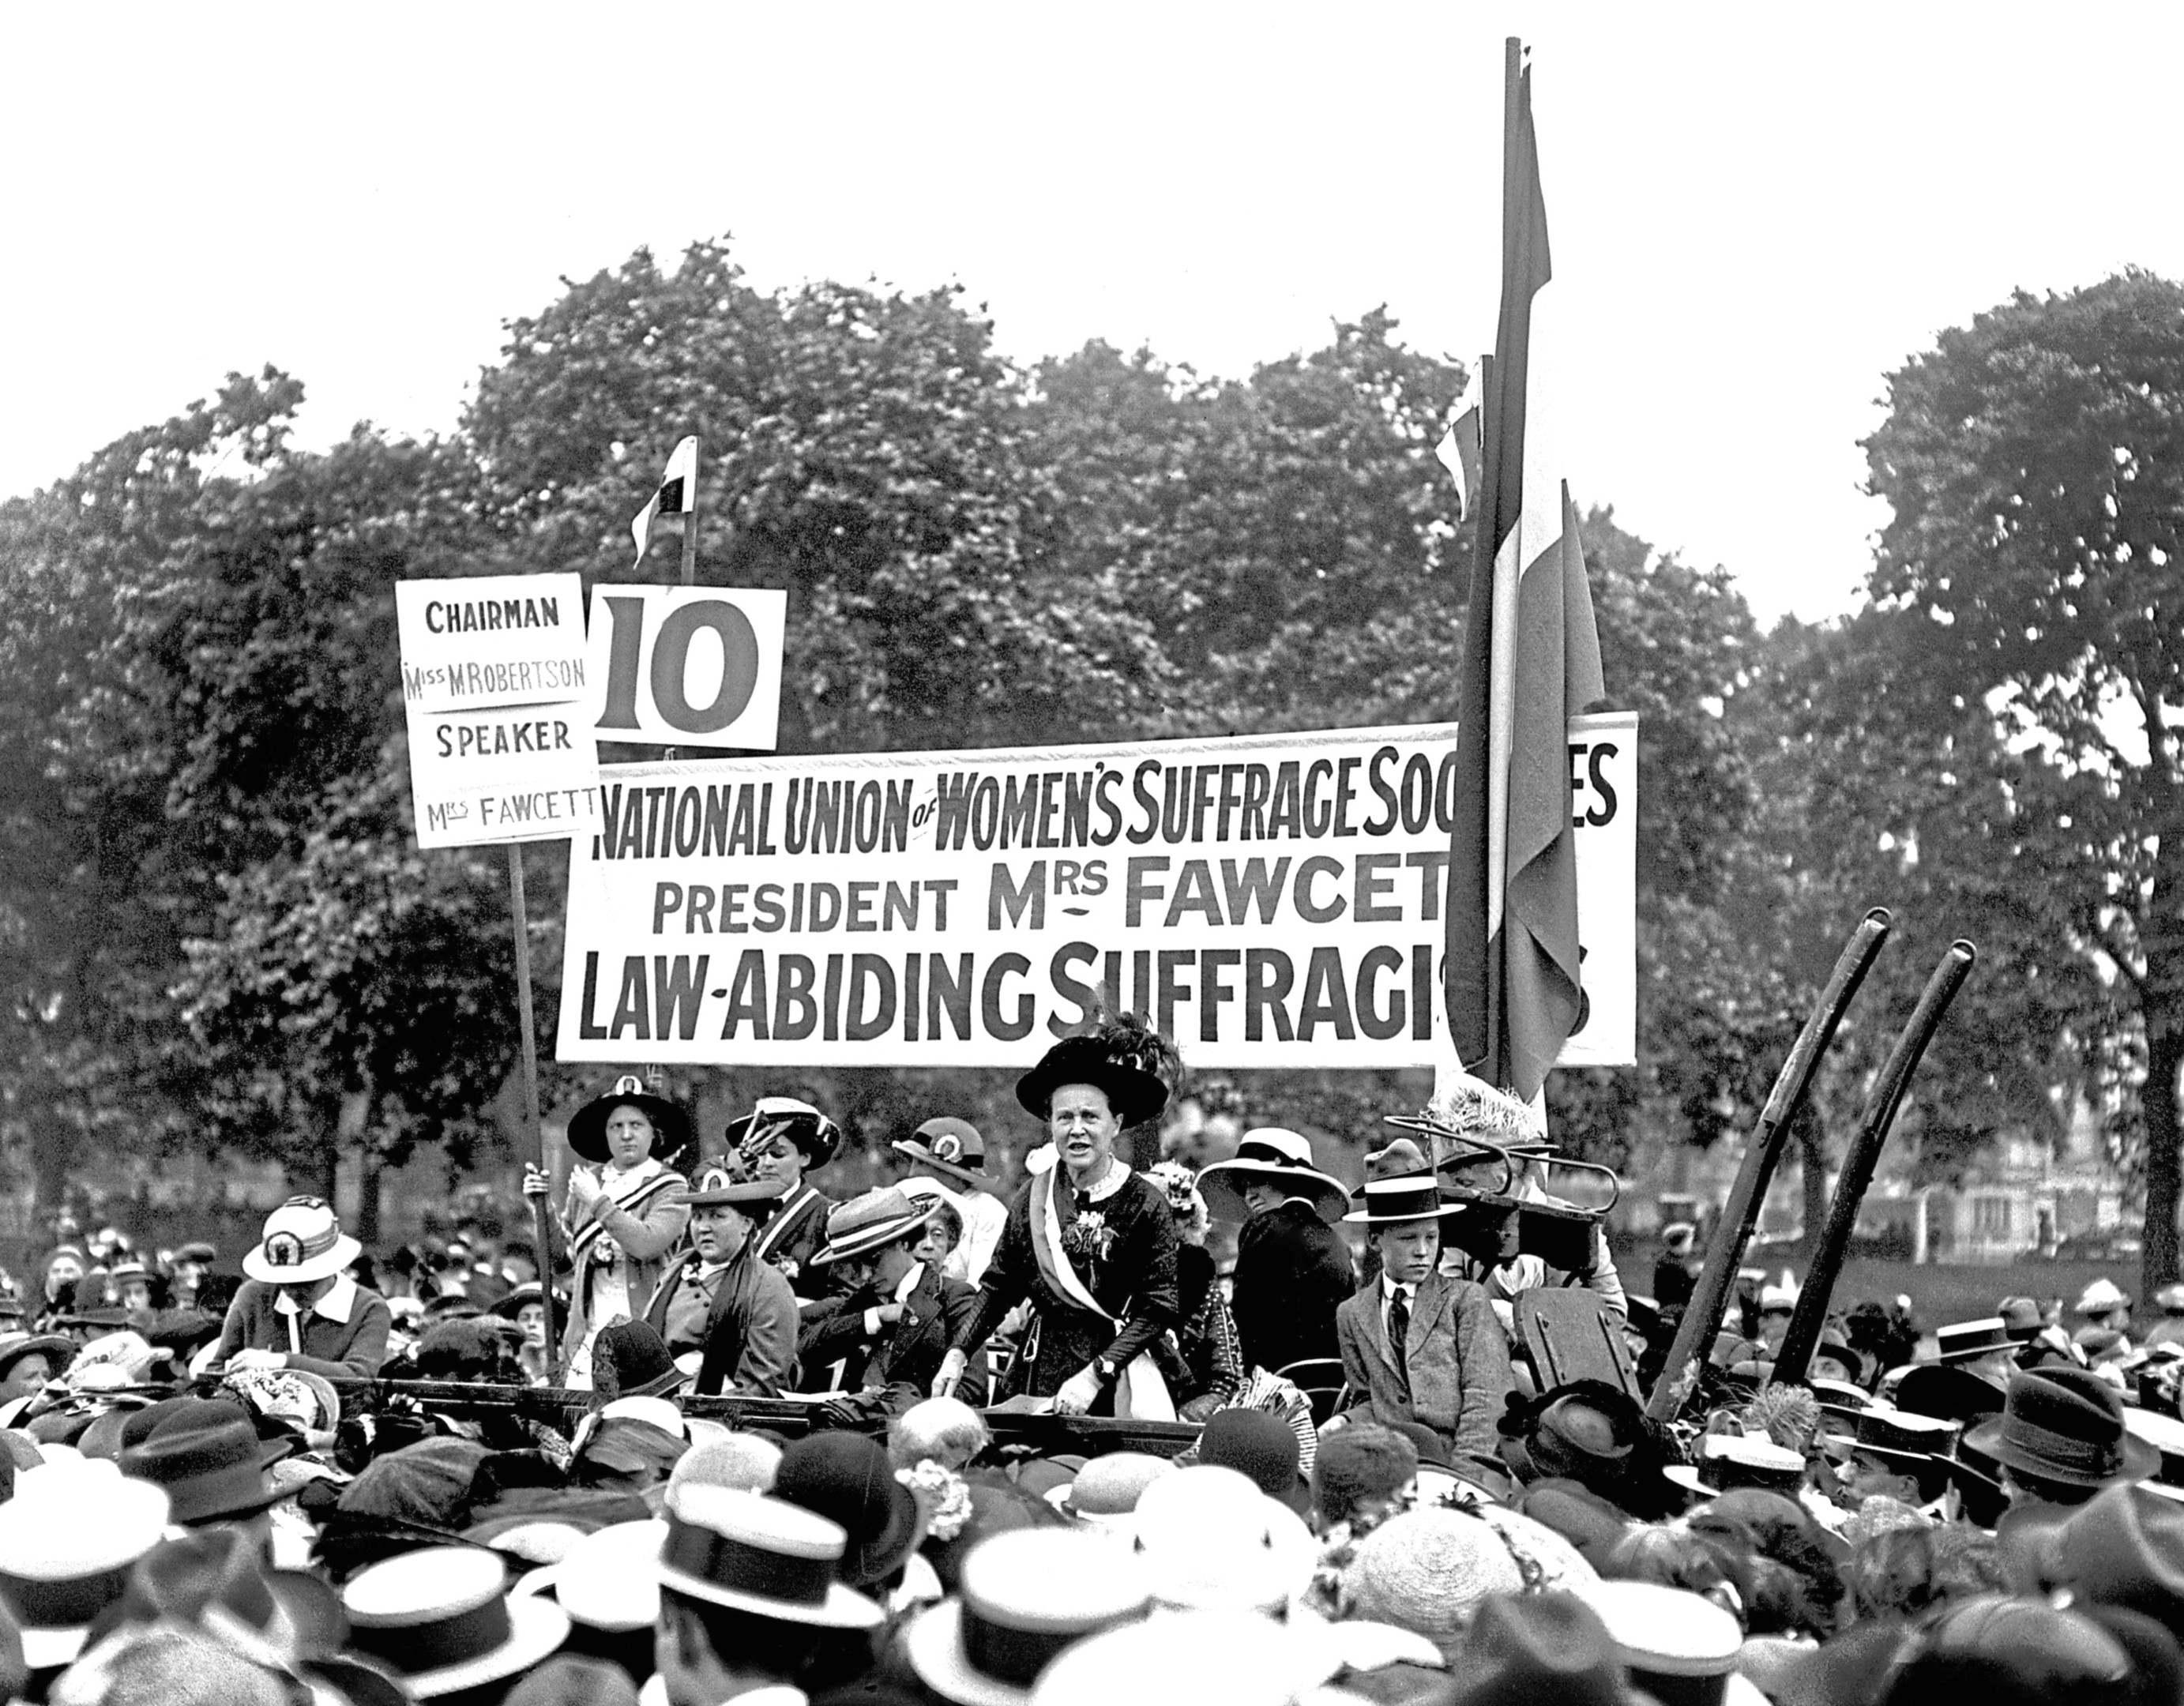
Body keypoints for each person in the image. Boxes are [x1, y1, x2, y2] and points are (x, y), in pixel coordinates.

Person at [934, 1031, 1182, 1418]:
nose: (1076, 1129)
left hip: (1118, 1375)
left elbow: (1159, 1307)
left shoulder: (1146, 1202)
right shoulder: (1032, 1197)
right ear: (1050, 1124)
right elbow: (999, 1287)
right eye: (1064, 1117)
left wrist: (1096, 1375)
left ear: (1115, 1124)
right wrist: (958, 1352)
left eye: (1090, 1117)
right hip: (1039, 1368)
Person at [1333, 1140, 1514, 1475]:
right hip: (1389, 1467)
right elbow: (1367, 1400)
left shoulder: (1465, 1300)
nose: (1422, 1251)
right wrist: (1344, 1421)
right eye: (1407, 1239)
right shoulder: (1352, 1313)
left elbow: (1487, 1398)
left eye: (1431, 1238)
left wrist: (1461, 1478)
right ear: (1376, 1241)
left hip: (1459, 1462)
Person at [524, 1074, 694, 1388]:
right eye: (616, 1126)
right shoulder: (588, 1182)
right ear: (605, 1134)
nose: (626, 1135)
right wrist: (541, 1206)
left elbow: (646, 1244)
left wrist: (598, 1201)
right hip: (589, 1332)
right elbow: (562, 1262)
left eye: (636, 1125)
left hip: (647, 1335)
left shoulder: (670, 1187)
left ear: (654, 1133)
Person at [801, 1188, 986, 1410]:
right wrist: (875, 1317)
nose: (865, 1276)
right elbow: (806, 1350)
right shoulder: (865, 1300)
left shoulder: (954, 1296)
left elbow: (974, 1386)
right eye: (856, 1266)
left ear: (905, 1243)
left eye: (873, 1261)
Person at [1197, 1127, 1355, 1379]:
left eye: (1257, 1182)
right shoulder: (1338, 1242)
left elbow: (1246, 1316)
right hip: (1333, 1385)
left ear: (1287, 1181)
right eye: (1242, 1187)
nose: (1249, 1196)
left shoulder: (1264, 1227)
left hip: (1277, 1383)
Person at [643, 1165, 799, 1396]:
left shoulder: (767, 1285)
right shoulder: (674, 1271)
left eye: (717, 1216)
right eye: (697, 1217)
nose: (704, 1227)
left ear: (746, 1224)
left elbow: (763, 1382)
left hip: (723, 1414)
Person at [212, 1197, 393, 1379]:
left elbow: (359, 1376)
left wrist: (282, 1362)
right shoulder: (252, 1296)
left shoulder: (369, 1308)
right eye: (282, 1281)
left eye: (305, 1283)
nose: (291, 1292)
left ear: (330, 1267)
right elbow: (216, 1369)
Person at [1142, 1160, 1246, 1419]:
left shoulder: (1205, 1290)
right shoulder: (1109, 1277)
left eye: (1178, 1216)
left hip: (1182, 1423)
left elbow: (1227, 1376)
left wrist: (1184, 1417)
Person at [727, 1095, 845, 1306]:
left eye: (777, 1154)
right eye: (759, 1154)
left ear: (804, 1158)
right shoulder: (736, 1209)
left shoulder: (829, 1217)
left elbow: (842, 1299)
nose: (766, 1163)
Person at [893, 1116, 1011, 1285]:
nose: (912, 1173)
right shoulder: (913, 1206)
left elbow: (983, 1288)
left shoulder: (987, 1213)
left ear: (950, 1170)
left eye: (920, 1163)